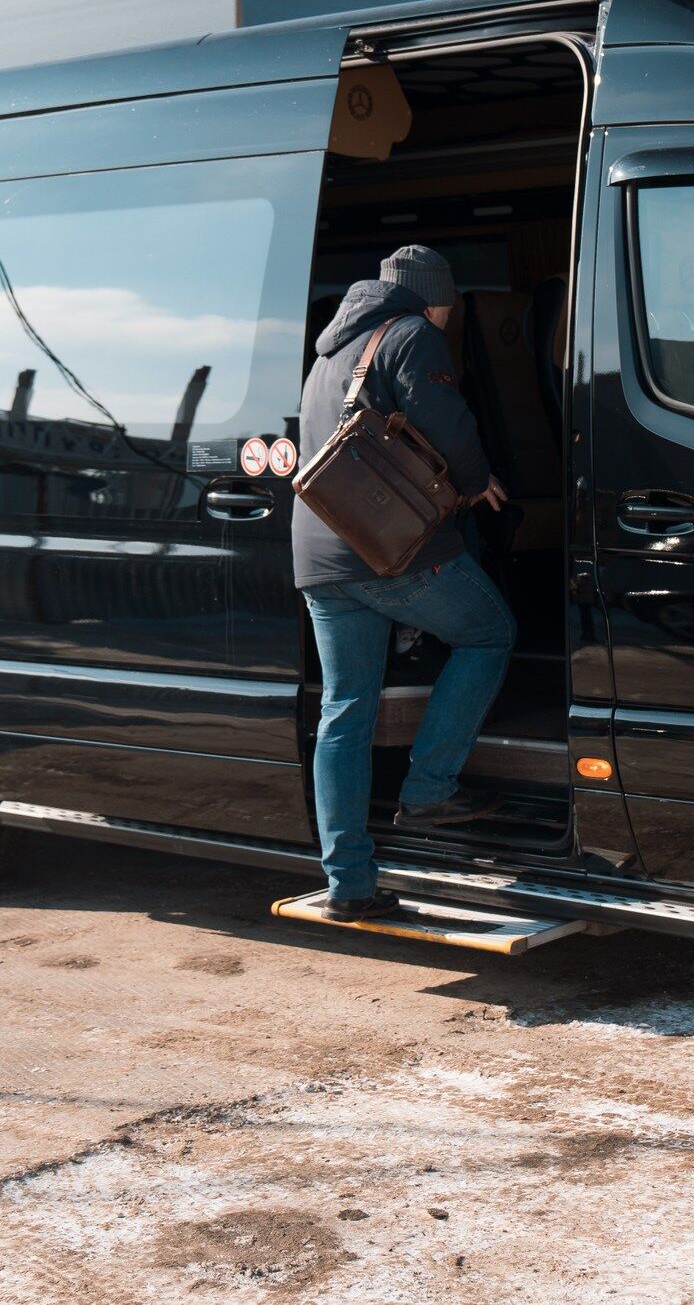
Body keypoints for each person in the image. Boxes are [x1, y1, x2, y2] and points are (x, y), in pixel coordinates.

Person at [292, 245, 513, 921]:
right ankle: (429, 788)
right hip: (388, 549)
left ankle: (348, 884)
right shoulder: (414, 334)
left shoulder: (331, 347)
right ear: (435, 297)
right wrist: (477, 482)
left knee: (345, 709)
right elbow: (448, 423)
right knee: (489, 634)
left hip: (322, 554)